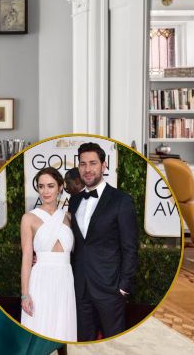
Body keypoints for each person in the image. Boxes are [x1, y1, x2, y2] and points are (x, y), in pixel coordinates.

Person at [68, 142, 138, 341]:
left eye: (93, 163)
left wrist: (123, 286)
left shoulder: (121, 200)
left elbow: (130, 247)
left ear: (104, 165)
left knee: (114, 344)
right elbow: (74, 243)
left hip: (110, 288)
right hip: (80, 286)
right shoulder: (74, 200)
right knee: (83, 343)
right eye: (83, 164)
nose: (87, 169)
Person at [20, 167, 76, 342]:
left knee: (62, 328)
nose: (45, 191)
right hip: (40, 279)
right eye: (41, 186)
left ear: (60, 187)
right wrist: (24, 294)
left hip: (65, 279)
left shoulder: (69, 217)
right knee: (39, 326)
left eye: (50, 186)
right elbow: (27, 257)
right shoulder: (29, 218)